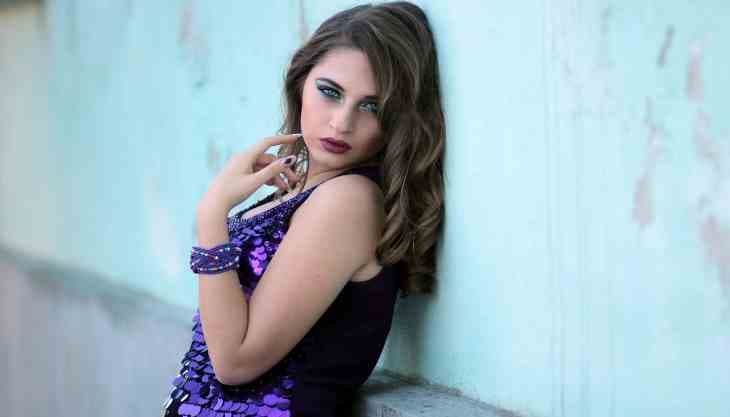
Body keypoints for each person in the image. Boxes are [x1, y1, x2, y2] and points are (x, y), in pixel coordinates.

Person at [161, 1, 445, 416]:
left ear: (397, 119)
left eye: (372, 107)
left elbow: (235, 362)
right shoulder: (300, 188)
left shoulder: (347, 201)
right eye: (330, 92)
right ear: (300, 83)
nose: (341, 123)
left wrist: (211, 214)